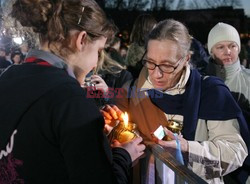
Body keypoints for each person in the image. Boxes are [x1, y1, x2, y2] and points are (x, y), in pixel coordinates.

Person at [0, 0, 145, 184]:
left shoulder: (8, 78)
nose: (95, 64)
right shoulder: (70, 100)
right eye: (98, 52)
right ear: (82, 39)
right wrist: (122, 156)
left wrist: (92, 134)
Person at [102, 19, 249, 184]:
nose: (156, 74)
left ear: (186, 59)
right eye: (150, 63)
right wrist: (114, 127)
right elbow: (122, 137)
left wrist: (187, 148)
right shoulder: (132, 90)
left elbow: (235, 152)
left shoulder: (211, 92)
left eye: (167, 65)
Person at [206, 22, 250, 183]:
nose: (228, 52)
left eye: (232, 46)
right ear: (211, 51)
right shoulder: (202, 82)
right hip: (214, 162)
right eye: (220, 47)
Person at [125, 14, 157, 78]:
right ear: (147, 29)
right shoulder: (141, 49)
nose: (156, 31)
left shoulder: (134, 46)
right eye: (154, 28)